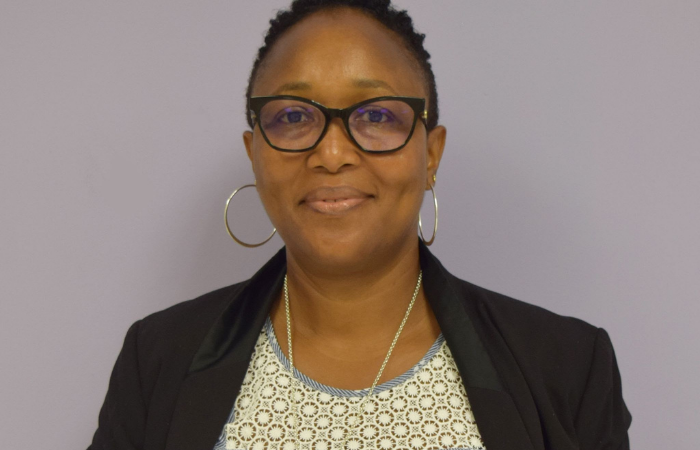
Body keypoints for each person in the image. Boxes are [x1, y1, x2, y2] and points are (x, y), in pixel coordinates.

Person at [89, 1, 632, 449]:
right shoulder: (157, 357)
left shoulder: (567, 366)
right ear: (255, 153)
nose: (331, 153)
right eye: (293, 116)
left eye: (376, 116)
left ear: (431, 155)